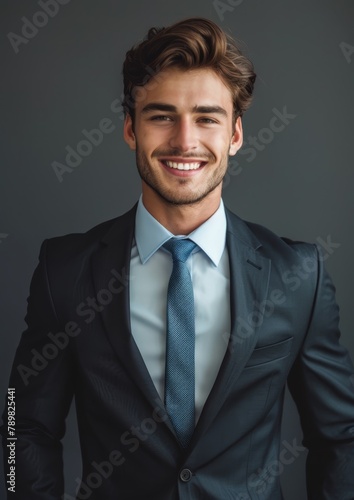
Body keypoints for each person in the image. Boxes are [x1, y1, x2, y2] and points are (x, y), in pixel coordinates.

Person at [1, 17, 354, 500]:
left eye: (207, 117)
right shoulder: (65, 271)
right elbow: (23, 425)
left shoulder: (298, 275)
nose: (184, 141)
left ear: (234, 135)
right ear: (130, 128)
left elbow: (341, 438)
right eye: (161, 115)